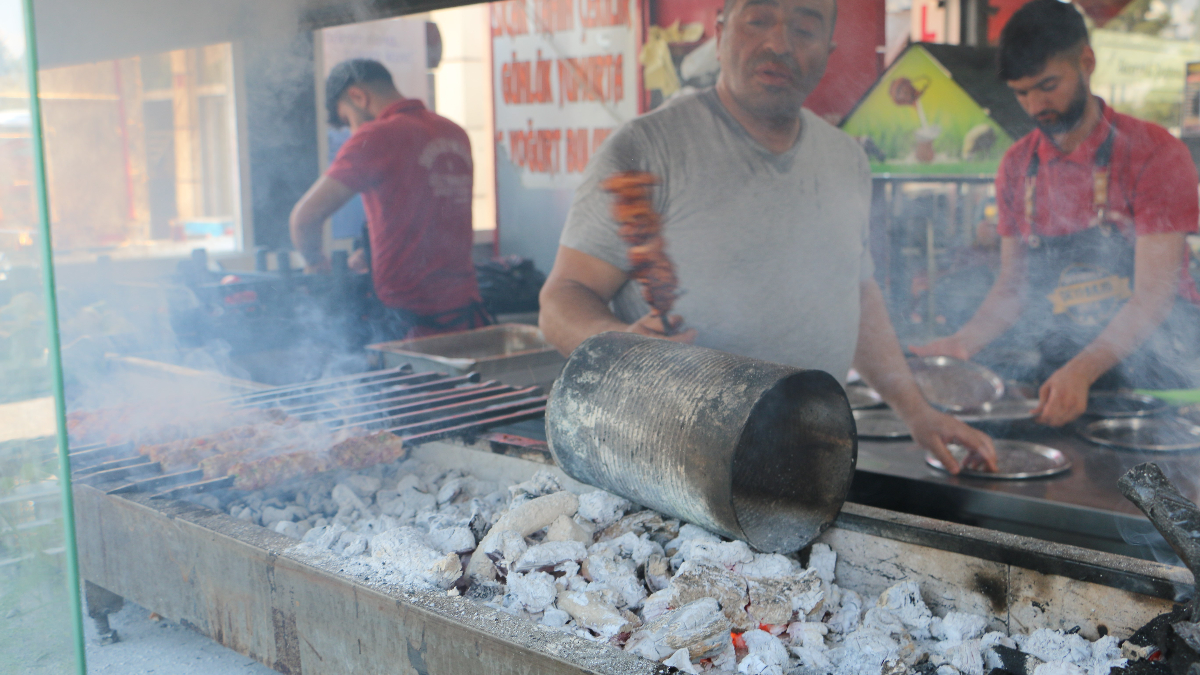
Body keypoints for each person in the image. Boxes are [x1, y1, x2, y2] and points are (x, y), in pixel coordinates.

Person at [538, 0, 997, 473]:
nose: (778, 43)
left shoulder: (846, 160)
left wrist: (917, 411)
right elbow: (561, 299)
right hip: (672, 466)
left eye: (804, 28)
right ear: (720, 35)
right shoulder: (645, 148)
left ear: (828, 51)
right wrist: (618, 347)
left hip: (812, 461)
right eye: (758, 21)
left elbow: (857, 296)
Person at [912, 0, 1200, 426]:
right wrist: (962, 342)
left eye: (1048, 85)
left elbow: (1152, 296)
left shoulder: (1154, 153)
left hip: (1160, 378)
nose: (1034, 106)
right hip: (1063, 375)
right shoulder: (1017, 166)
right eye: (1021, 92)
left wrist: (1083, 370)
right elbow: (1012, 288)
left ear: (1086, 62)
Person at [290, 58, 490, 340]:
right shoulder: (454, 132)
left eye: (348, 120)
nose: (352, 132)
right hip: (465, 314)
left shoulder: (376, 136)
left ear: (358, 96)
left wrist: (316, 265)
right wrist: (368, 255)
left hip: (409, 323)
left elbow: (304, 219)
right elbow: (426, 219)